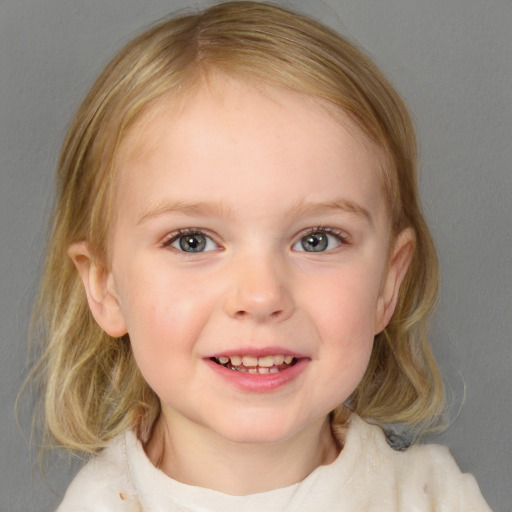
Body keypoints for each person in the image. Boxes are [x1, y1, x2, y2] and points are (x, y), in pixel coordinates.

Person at [28, 1, 491, 510]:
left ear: (388, 281)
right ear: (105, 286)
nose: (261, 295)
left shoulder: (436, 500)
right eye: (192, 241)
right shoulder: (98, 504)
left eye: (317, 240)